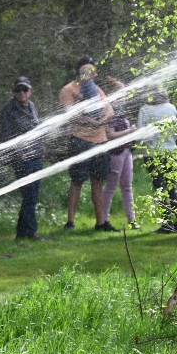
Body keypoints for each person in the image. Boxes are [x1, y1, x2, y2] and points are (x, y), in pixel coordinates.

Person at [59, 56, 113, 231]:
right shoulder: (68, 90)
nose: (92, 75)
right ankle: (70, 222)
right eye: (87, 72)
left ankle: (101, 222)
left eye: (93, 72)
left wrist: (101, 121)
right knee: (77, 182)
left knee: (98, 182)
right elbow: (72, 115)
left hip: (101, 141)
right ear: (80, 73)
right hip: (79, 141)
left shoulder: (98, 90)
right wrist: (93, 123)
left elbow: (109, 110)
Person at [0, 76, 45, 240]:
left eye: (25, 90)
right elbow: (6, 137)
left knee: (32, 197)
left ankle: (21, 233)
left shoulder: (32, 106)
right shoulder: (8, 110)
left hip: (37, 156)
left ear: (30, 91)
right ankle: (31, 232)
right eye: (18, 90)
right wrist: (19, 154)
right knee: (29, 196)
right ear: (13, 92)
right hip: (22, 160)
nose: (22, 93)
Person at [137, 88, 177, 234]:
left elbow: (141, 134)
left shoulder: (144, 110)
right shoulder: (171, 108)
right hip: (170, 152)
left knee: (159, 188)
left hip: (152, 154)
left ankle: (166, 224)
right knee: (172, 187)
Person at [99, 78, 139, 231]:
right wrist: (129, 131)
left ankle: (132, 220)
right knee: (110, 187)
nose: (124, 97)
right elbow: (110, 134)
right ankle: (105, 219)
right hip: (115, 154)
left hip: (126, 152)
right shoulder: (109, 111)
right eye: (121, 94)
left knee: (127, 186)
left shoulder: (122, 111)